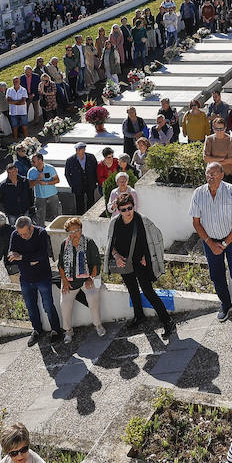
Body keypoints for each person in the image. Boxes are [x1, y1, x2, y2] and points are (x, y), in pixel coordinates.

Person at [191, 162, 232, 324]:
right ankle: (226, 305)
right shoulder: (198, 193)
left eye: (214, 173)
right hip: (210, 241)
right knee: (216, 276)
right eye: (208, 173)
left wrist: (226, 243)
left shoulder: (231, 191)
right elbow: (196, 222)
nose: (210, 176)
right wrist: (210, 243)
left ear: (221, 175)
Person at [103, 193, 173, 337]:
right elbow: (111, 245)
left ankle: (167, 321)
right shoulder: (115, 223)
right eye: (124, 209)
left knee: (148, 292)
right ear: (118, 210)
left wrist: (147, 256)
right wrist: (116, 257)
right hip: (124, 263)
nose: (128, 212)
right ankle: (139, 316)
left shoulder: (142, 221)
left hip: (141, 263)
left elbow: (156, 237)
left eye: (130, 208)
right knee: (132, 290)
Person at [9, 216, 65, 345]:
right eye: (20, 233)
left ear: (31, 228)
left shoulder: (41, 233)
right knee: (31, 307)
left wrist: (22, 257)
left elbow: (41, 255)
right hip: (25, 278)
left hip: (42, 277)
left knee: (48, 306)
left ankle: (56, 330)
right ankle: (37, 330)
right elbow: (12, 255)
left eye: (25, 233)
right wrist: (30, 259)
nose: (22, 236)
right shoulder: (15, 235)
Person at [58, 217, 104, 336]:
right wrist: (65, 281)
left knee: (93, 297)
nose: (74, 234)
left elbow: (96, 264)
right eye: (71, 232)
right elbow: (61, 265)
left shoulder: (89, 243)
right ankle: (68, 330)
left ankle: (98, 324)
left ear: (81, 230)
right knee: (64, 303)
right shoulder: (65, 244)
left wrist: (91, 278)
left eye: (77, 230)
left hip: (89, 278)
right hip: (70, 280)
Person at [65, 142, 100, 215]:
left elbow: (96, 169)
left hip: (89, 183)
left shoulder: (91, 157)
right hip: (78, 185)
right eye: (80, 149)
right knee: (79, 203)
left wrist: (96, 181)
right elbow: (67, 174)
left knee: (90, 201)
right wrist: (72, 185)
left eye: (83, 149)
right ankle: (80, 218)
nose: (82, 151)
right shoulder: (70, 160)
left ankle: (90, 216)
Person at [28, 152, 61, 223]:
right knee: (40, 216)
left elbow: (57, 180)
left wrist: (46, 183)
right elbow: (30, 185)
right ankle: (41, 230)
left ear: (40, 161)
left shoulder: (50, 168)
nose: (32, 163)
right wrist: (38, 179)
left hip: (52, 194)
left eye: (34, 161)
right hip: (39, 196)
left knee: (57, 213)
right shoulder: (31, 171)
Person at [204, 118, 232, 183]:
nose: (219, 131)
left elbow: (230, 160)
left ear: (225, 128)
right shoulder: (209, 139)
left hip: (228, 174)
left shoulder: (230, 140)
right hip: (212, 175)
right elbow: (206, 158)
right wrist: (223, 159)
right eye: (217, 129)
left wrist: (213, 161)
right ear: (213, 129)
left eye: (221, 129)